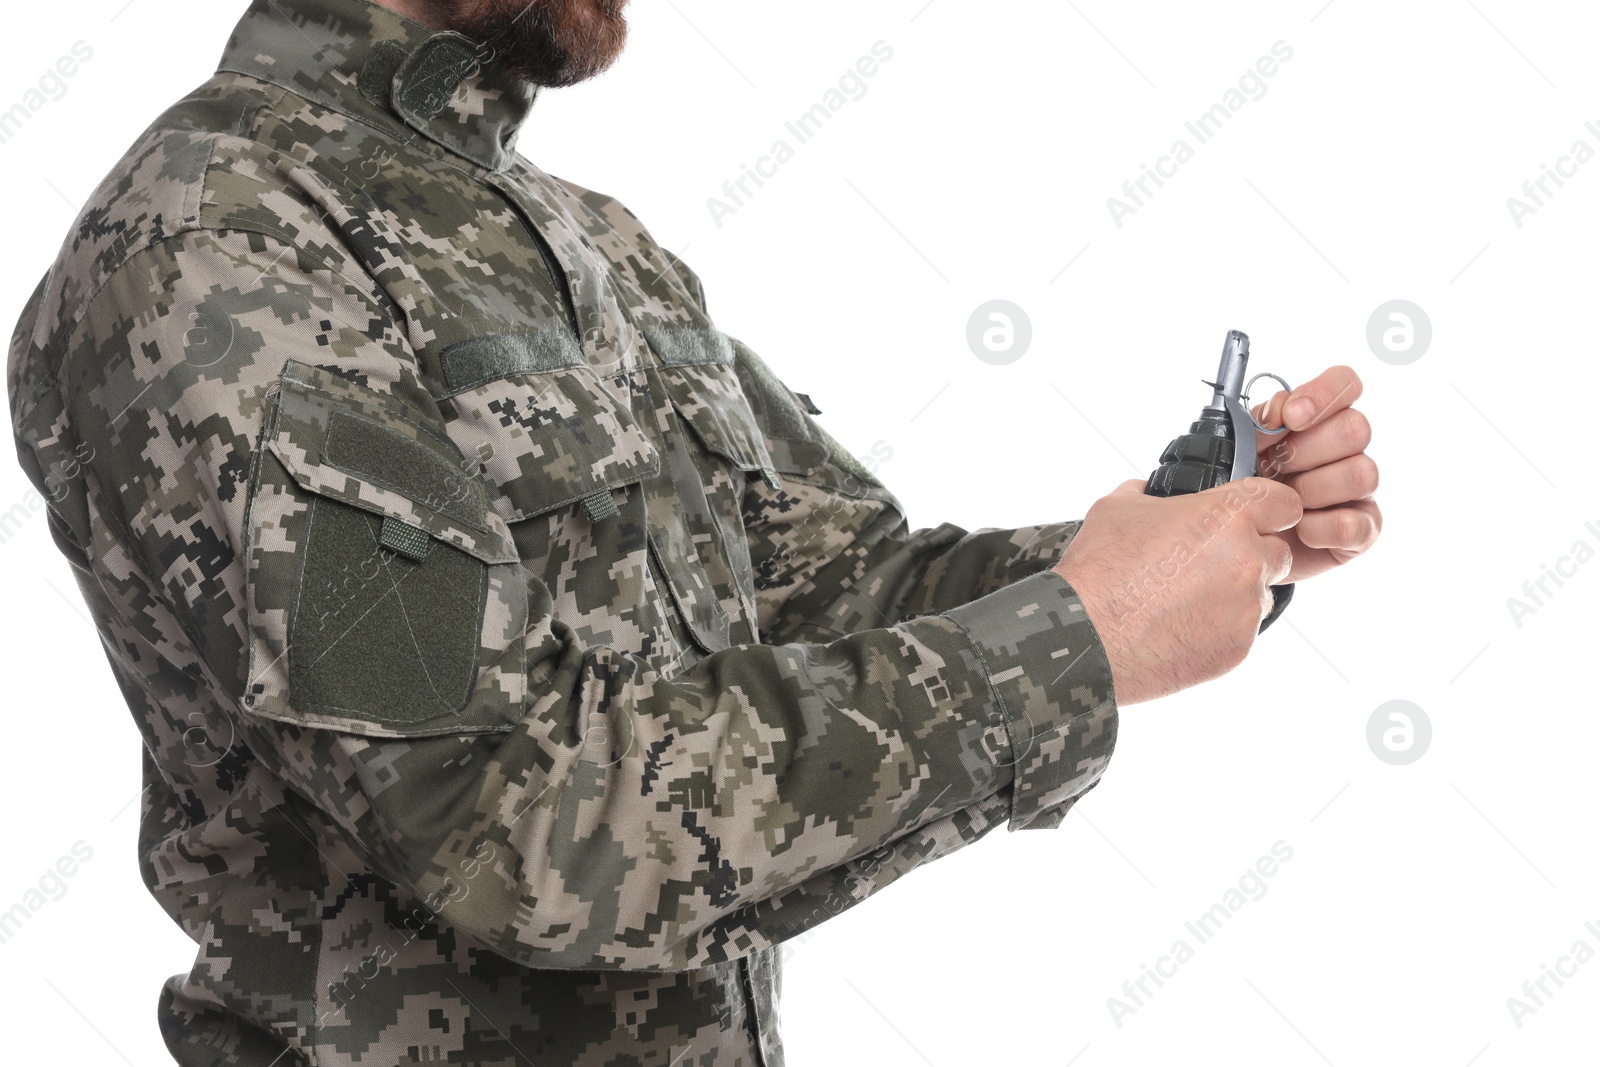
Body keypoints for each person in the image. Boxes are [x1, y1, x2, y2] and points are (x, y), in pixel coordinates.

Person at [5, 0, 1381, 1063]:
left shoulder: (591, 243)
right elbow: (503, 819)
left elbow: (841, 591)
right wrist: (1086, 634)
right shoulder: (222, 237)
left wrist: (1190, 538)